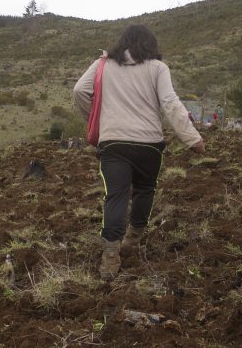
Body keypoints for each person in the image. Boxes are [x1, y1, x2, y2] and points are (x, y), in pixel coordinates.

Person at [73, 25, 204, 280]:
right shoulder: (157, 68)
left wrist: (98, 122)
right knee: (145, 189)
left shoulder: (103, 64)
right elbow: (170, 103)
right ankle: (133, 237)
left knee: (116, 196)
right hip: (148, 143)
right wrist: (193, 139)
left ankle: (110, 257)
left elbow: (80, 91)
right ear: (150, 44)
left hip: (113, 143)